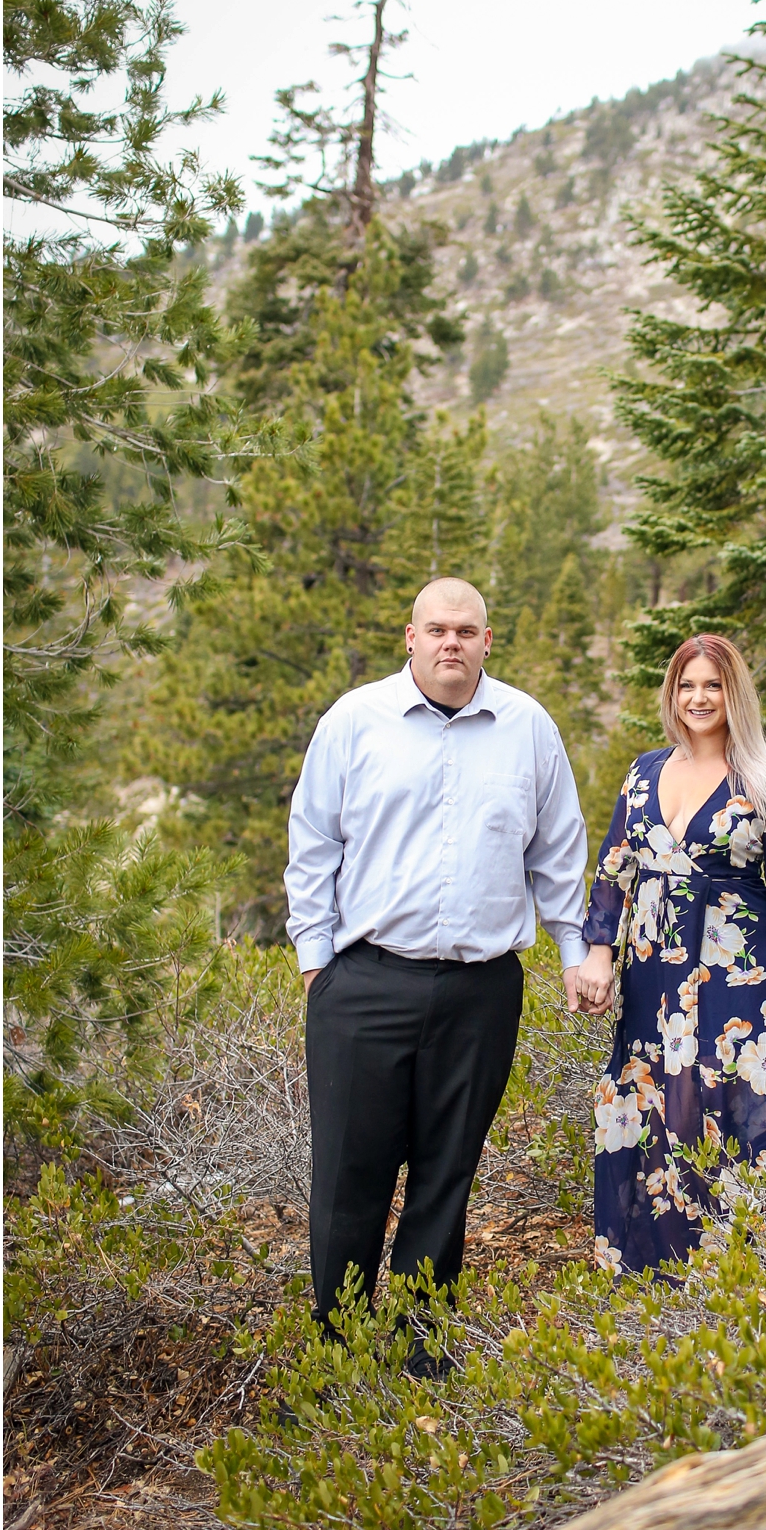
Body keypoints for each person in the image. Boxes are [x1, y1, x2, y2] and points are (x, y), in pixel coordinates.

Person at [284, 577, 588, 1370]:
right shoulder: (356, 721)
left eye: (467, 630)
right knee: (350, 1177)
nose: (452, 642)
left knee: (446, 1175)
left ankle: (422, 1357)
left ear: (489, 642)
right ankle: (338, 1359)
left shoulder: (527, 727)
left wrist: (571, 949)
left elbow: (557, 850)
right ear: (409, 639)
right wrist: (318, 962)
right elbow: (313, 840)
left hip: (480, 993)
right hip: (364, 987)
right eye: (437, 629)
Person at [575, 634, 766, 1276]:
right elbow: (614, 870)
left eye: (713, 685)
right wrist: (599, 952)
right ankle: (652, 1267)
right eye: (688, 685)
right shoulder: (644, 772)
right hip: (652, 974)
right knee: (654, 1097)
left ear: (734, 693)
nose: (699, 697)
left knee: (727, 1095)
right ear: (672, 695)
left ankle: (743, 1266)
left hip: (735, 974)